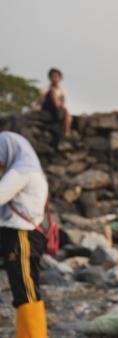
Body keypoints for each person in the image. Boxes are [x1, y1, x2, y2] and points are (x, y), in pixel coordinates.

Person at [0, 131, 49, 337]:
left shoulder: (21, 172)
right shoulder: (30, 169)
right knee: (23, 292)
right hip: (19, 235)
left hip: (21, 236)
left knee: (26, 292)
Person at [32, 68, 72, 139]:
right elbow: (40, 100)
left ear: (60, 78)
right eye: (53, 76)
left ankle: (67, 131)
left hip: (58, 108)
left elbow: (63, 103)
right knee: (52, 92)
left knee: (67, 113)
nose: (54, 78)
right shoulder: (45, 88)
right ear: (50, 78)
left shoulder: (62, 90)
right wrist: (35, 107)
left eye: (56, 77)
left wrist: (61, 106)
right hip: (47, 107)